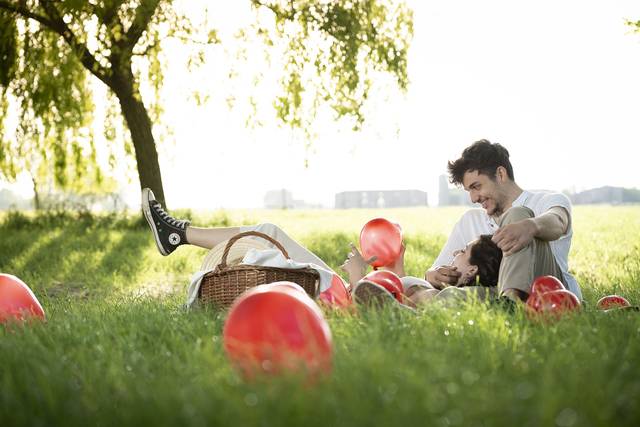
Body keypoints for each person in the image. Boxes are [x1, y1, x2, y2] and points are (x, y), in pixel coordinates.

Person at [424, 139, 582, 303]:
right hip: (494, 293)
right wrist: (432, 274)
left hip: (547, 290)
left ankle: (510, 300)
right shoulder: (470, 220)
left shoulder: (547, 200)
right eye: (469, 190)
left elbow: (558, 221)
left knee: (517, 215)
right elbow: (437, 269)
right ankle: (505, 304)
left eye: (476, 186)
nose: (473, 198)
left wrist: (531, 226)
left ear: (500, 174)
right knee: (433, 294)